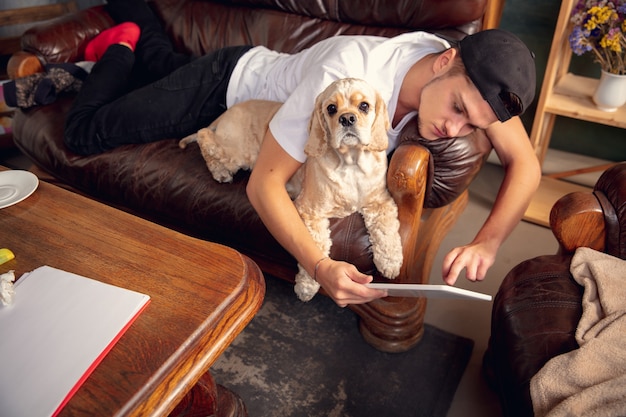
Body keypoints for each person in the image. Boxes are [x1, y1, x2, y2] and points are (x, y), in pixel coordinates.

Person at [65, 0, 541, 307]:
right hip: (225, 90)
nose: (451, 131)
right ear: (444, 61)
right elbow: (263, 184)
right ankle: (119, 47)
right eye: (457, 109)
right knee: (84, 133)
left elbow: (526, 165)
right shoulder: (346, 74)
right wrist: (319, 264)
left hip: (248, 73)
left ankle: (133, 17)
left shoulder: (473, 74)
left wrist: (488, 241)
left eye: (471, 126)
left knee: (163, 66)